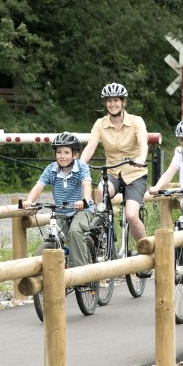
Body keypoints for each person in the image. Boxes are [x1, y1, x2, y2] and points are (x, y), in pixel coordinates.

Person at [80, 82, 149, 244]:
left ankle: (145, 248)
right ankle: (104, 235)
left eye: (116, 100)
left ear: (123, 102)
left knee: (132, 215)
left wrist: (141, 159)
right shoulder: (100, 124)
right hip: (112, 173)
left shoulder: (136, 121)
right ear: (105, 103)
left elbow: (143, 144)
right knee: (99, 193)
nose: (112, 104)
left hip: (135, 174)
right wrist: (80, 164)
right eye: (109, 101)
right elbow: (90, 147)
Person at [22, 132, 94, 267]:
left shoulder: (81, 167)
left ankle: (80, 272)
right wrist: (29, 200)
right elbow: (39, 185)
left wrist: (84, 201)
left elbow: (87, 184)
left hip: (82, 209)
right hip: (62, 210)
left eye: (66, 152)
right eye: (59, 152)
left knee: (75, 232)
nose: (62, 156)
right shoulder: (51, 169)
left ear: (75, 155)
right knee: (52, 235)